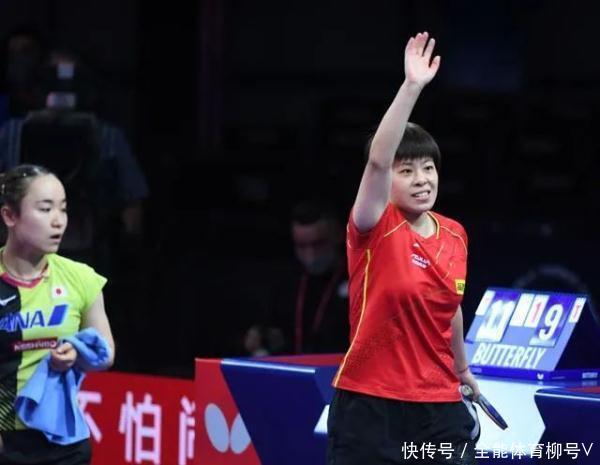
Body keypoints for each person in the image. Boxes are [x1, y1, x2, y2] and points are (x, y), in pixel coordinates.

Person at [326, 32, 480, 465]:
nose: (422, 179)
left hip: (439, 406)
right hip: (370, 406)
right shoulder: (373, 225)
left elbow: (449, 306)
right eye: (407, 170)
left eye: (428, 168)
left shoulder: (455, 234)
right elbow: (378, 159)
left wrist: (463, 370)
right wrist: (412, 87)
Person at [0, 164, 115, 464]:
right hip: (6, 441)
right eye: (45, 209)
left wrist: (77, 353)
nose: (58, 221)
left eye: (62, 209)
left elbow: (106, 352)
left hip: (65, 445)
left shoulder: (82, 278)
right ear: (10, 216)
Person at [244, 200, 350, 355]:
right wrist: (259, 338)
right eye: (302, 246)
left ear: (339, 235)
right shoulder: (286, 283)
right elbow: (269, 330)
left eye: (318, 244)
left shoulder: (361, 279)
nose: (310, 254)